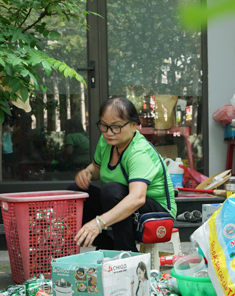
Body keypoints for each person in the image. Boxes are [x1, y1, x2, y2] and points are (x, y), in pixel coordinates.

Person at [70, 97, 177, 251]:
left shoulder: (139, 152)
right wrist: (87, 172)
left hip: (156, 214)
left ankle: (127, 252)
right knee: (77, 192)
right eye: (104, 126)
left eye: (116, 127)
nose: (109, 133)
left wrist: (98, 223)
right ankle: (107, 247)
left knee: (112, 191)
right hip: (126, 204)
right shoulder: (106, 141)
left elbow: (137, 198)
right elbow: (97, 167)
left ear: (134, 126)